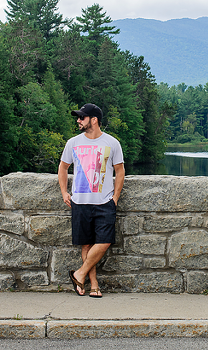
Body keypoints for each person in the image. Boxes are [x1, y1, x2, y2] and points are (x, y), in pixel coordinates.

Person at [58, 103, 124, 298]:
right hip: (80, 201)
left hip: (104, 202)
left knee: (104, 242)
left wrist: (115, 198)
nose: (78, 120)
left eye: (82, 117)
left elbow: (120, 171)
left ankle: (79, 273)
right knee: (86, 244)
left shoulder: (112, 143)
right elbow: (63, 168)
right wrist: (64, 192)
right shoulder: (73, 143)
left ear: (94, 120)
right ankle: (93, 283)